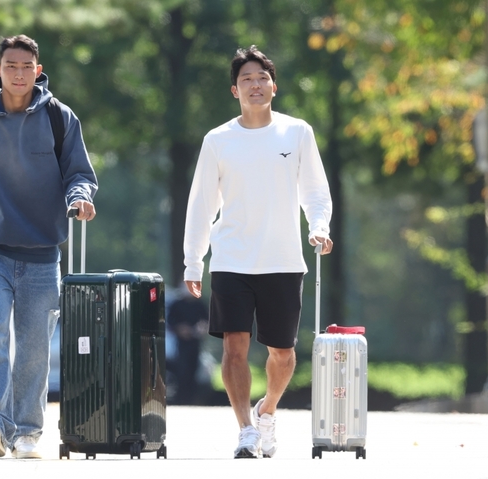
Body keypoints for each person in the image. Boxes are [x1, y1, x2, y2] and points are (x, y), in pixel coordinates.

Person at [0, 34, 97, 460]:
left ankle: (27, 431)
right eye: (11, 66)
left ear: (38, 71)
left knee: (33, 346)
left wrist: (79, 198)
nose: (19, 73)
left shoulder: (60, 118)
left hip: (43, 253)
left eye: (27, 66)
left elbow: (79, 173)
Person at [182, 45, 333, 459]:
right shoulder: (218, 140)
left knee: (283, 353)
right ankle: (246, 430)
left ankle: (267, 410)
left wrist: (319, 227)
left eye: (262, 78)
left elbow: (316, 192)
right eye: (247, 79)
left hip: (283, 260)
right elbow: (201, 205)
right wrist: (193, 261)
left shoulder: (297, 132)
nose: (255, 85)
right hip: (231, 258)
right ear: (235, 91)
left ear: (274, 87)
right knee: (234, 346)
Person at [166, 285, 209, 405]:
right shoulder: (177, 304)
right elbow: (170, 322)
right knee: (182, 370)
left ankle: (192, 399)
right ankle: (180, 398)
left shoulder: (200, 304)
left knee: (193, 369)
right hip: (180, 343)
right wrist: (180, 329)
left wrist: (202, 328)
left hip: (195, 342)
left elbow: (206, 321)